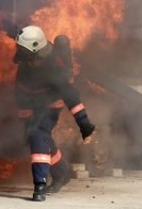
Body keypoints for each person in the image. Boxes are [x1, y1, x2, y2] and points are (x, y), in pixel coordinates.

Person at [13, 25, 95, 202]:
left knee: (38, 134)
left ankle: (39, 185)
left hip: (51, 104)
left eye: (22, 50)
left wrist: (84, 124)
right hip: (33, 103)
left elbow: (72, 97)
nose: (19, 53)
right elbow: (21, 93)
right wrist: (24, 119)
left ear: (34, 51)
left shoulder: (54, 69)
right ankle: (61, 174)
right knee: (38, 136)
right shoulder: (28, 62)